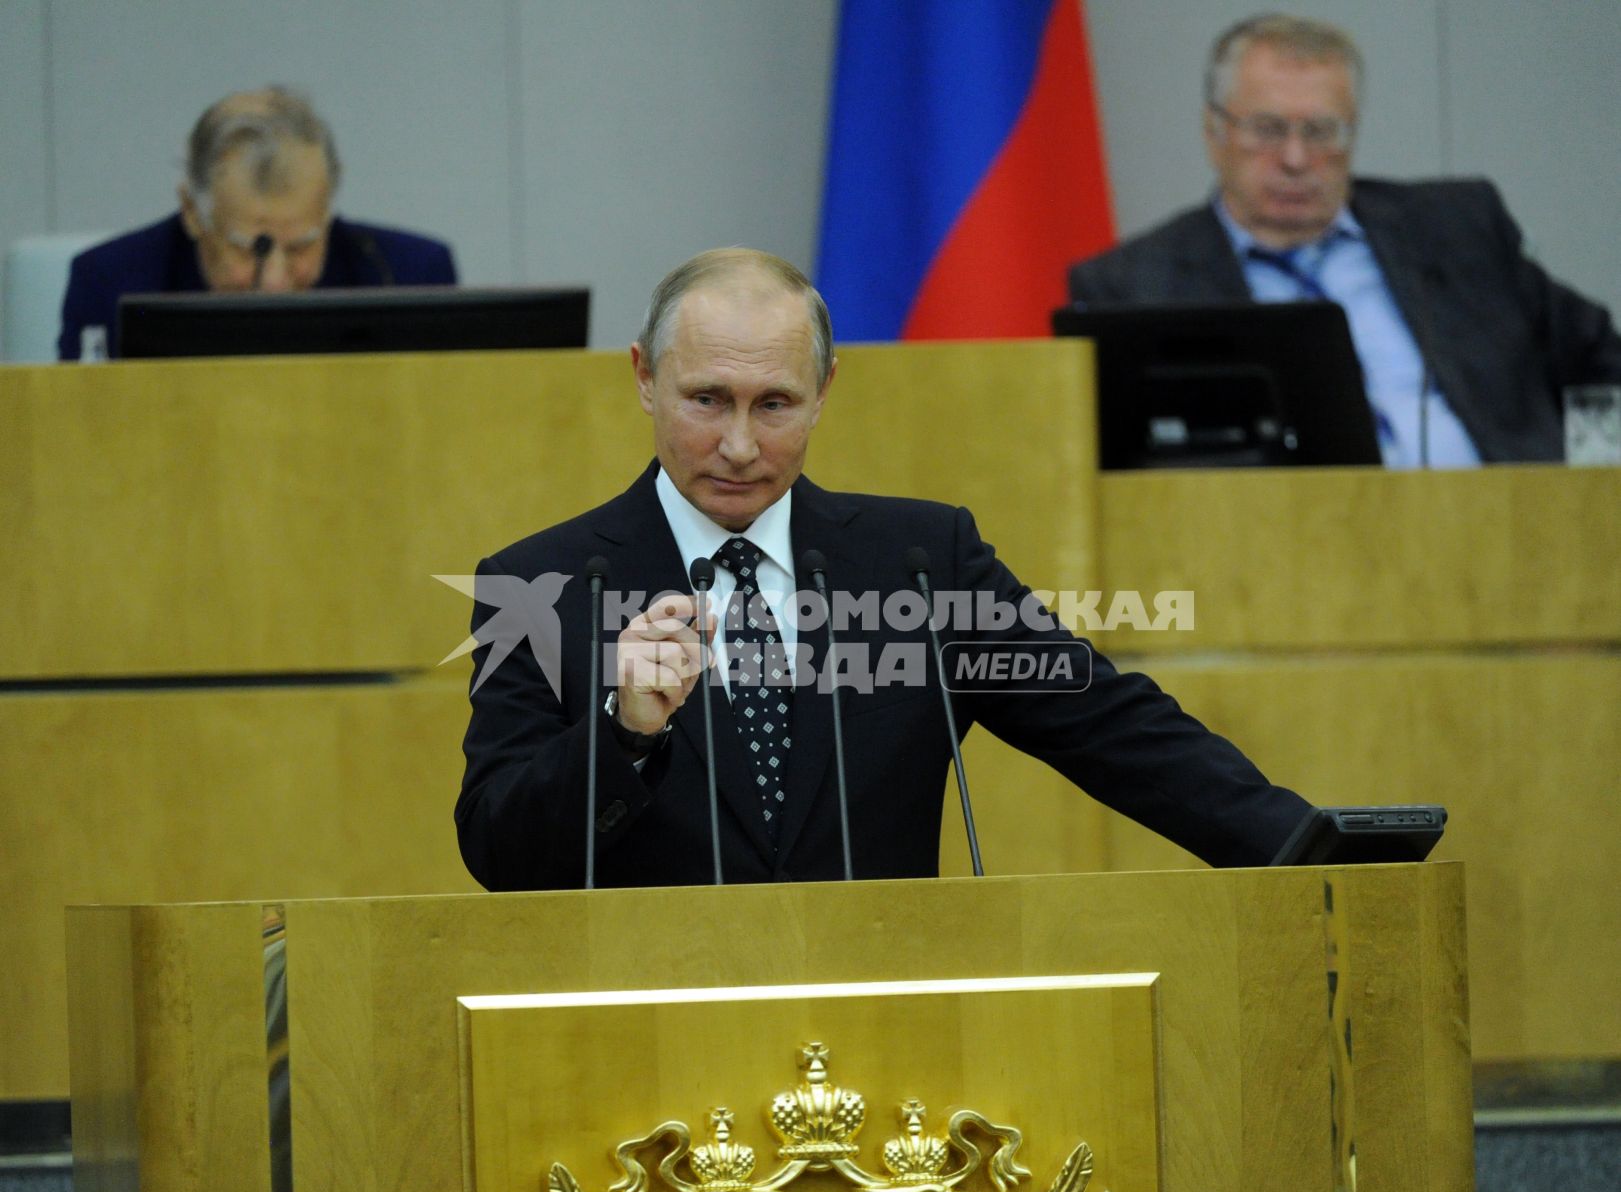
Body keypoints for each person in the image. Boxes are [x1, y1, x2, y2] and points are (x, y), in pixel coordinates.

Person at [454, 247, 1311, 891]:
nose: (740, 445)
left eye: (776, 404)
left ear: (825, 390)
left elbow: (1116, 729)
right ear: (645, 379)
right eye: (706, 400)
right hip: (648, 1049)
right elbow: (499, 850)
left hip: (891, 1034)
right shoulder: (542, 587)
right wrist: (621, 731)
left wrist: (1311, 848)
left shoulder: (920, 566)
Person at [1067, 13, 1621, 467]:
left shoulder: (1455, 229)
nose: (1295, 158)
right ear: (1215, 133)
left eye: (1321, 132)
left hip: (1518, 545)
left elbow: (1601, 361)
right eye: (1266, 129)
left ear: (1352, 131)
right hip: (1283, 566)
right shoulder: (1135, 285)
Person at [57, 86, 457, 361]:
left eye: (302, 245)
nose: (276, 283)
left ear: (327, 207)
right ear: (192, 212)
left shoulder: (409, 275)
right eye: (251, 249)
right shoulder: (109, 284)